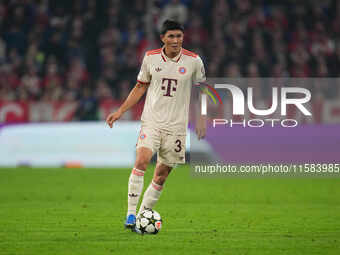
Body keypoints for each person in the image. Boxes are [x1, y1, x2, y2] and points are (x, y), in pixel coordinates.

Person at [106, 20, 207, 230]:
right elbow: (140, 87)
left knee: (161, 176)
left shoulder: (194, 61)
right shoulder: (151, 58)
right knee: (142, 160)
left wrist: (201, 117)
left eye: (179, 36)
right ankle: (131, 215)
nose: (175, 40)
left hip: (177, 128)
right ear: (163, 38)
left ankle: (143, 215)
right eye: (171, 36)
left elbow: (202, 91)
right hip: (151, 122)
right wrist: (120, 111)